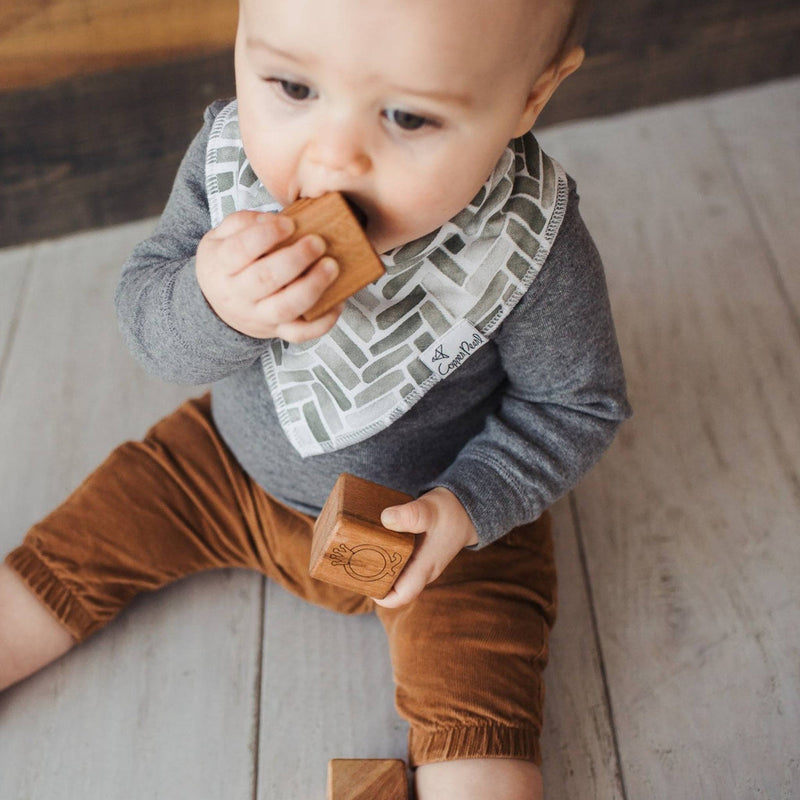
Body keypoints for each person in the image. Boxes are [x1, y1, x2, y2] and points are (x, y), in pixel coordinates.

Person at [0, 0, 630, 797]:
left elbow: (575, 405)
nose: (333, 157)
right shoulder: (229, 163)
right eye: (292, 88)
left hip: (438, 532)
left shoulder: (530, 241)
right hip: (227, 469)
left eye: (406, 116)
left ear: (531, 98)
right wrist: (215, 304)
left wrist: (466, 508)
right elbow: (147, 322)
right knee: (73, 549)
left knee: (481, 704)